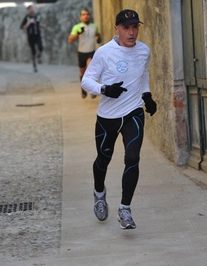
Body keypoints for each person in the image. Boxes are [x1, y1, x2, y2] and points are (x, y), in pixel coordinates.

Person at [81, 9, 157, 229]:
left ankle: (125, 209)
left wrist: (147, 95)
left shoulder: (144, 51)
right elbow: (86, 81)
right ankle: (99, 193)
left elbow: (143, 74)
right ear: (117, 29)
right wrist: (104, 89)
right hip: (108, 118)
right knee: (103, 159)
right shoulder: (104, 53)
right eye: (126, 28)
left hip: (133, 112)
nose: (132, 32)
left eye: (135, 27)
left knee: (132, 158)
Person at [68, 9, 102, 99]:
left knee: (90, 70)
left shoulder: (94, 26)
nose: (86, 16)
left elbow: (97, 35)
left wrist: (98, 38)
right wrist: (78, 33)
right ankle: (83, 89)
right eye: (83, 14)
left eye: (87, 14)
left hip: (91, 52)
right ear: (80, 17)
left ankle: (92, 90)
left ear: (89, 16)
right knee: (82, 73)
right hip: (81, 52)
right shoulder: (77, 27)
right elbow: (70, 40)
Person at [20, 5, 45, 72]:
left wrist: (41, 26)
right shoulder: (27, 17)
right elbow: (22, 27)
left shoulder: (38, 15)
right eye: (30, 9)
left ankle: (39, 56)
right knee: (33, 51)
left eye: (32, 8)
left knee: (41, 47)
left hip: (37, 35)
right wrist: (28, 23)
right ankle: (34, 67)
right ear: (28, 10)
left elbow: (38, 23)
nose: (32, 10)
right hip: (30, 37)